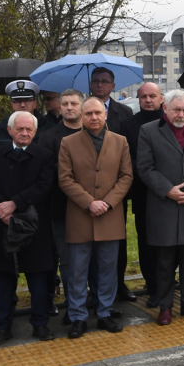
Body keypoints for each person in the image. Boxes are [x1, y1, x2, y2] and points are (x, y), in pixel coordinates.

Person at [136, 90, 184, 325]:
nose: (181, 114)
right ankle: (165, 307)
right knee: (165, 262)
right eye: (176, 110)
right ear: (165, 109)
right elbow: (145, 167)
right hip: (164, 206)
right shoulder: (148, 131)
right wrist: (168, 190)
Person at [58, 97, 133, 338]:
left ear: (105, 114)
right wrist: (89, 202)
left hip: (110, 216)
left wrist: (108, 203)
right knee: (78, 270)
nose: (93, 117)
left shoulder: (120, 142)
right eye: (88, 113)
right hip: (80, 215)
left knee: (108, 269)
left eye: (97, 113)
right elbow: (65, 179)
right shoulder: (68, 143)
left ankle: (105, 312)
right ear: (81, 116)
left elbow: (126, 177)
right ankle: (78, 316)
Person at [0, 111, 57, 346]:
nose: (24, 133)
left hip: (34, 226)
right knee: (3, 279)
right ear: (10, 131)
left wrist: (15, 204)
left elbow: (44, 186)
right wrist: (3, 210)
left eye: (29, 130)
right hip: (1, 224)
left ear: (35, 132)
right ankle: (2, 327)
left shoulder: (44, 155)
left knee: (38, 279)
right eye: (20, 129)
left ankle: (40, 324)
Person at [36, 88, 85, 320]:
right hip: (61, 206)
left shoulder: (96, 132)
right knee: (68, 260)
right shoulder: (48, 137)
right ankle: (72, 303)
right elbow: (46, 174)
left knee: (95, 258)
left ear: (81, 106)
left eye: (73, 103)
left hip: (94, 206)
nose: (68, 107)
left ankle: (96, 302)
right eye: (64, 103)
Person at [88, 67, 135, 301]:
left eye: (104, 82)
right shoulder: (83, 111)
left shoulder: (124, 112)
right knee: (88, 243)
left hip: (116, 189)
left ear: (113, 86)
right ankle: (93, 288)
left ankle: (119, 284)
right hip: (87, 191)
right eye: (95, 81)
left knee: (117, 240)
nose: (99, 85)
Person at [119, 82, 167, 308]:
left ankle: (174, 284)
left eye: (152, 96)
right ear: (138, 99)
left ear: (162, 98)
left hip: (171, 193)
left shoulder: (172, 120)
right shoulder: (128, 125)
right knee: (147, 243)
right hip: (143, 193)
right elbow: (127, 161)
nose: (148, 100)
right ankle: (154, 287)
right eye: (143, 96)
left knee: (172, 243)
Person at [0, 80, 53, 145]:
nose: (22, 105)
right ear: (12, 105)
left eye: (27, 100)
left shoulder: (49, 128)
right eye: (18, 101)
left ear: (35, 104)